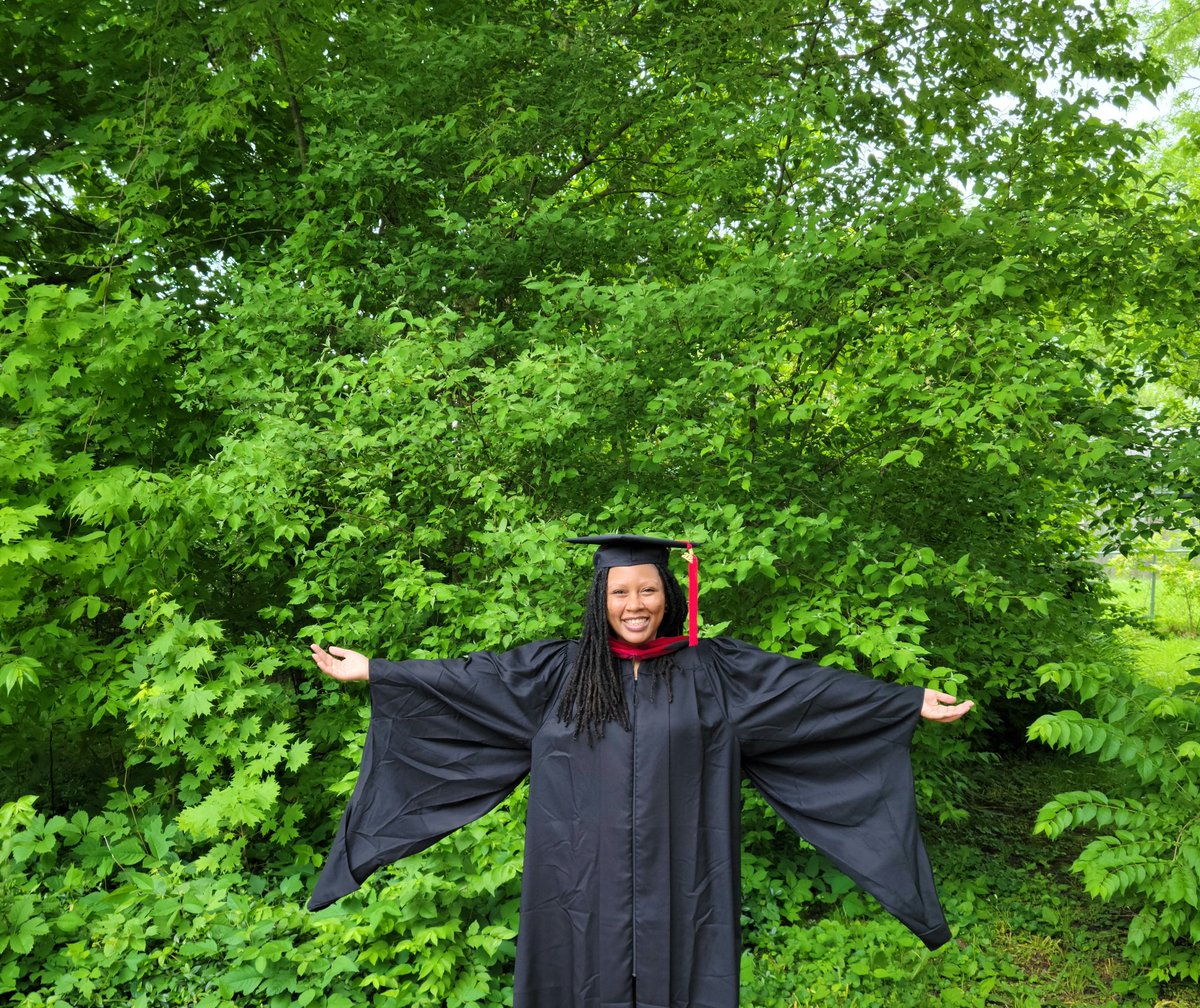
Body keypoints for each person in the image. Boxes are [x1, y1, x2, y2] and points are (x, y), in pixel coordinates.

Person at [307, 535, 972, 1008]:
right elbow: (467, 683)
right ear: (601, 597)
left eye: (648, 589)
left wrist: (907, 701)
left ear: (668, 593)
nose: (635, 604)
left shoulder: (715, 671)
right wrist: (377, 670)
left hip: (682, 876)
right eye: (621, 591)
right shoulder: (557, 672)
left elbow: (807, 695)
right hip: (576, 876)